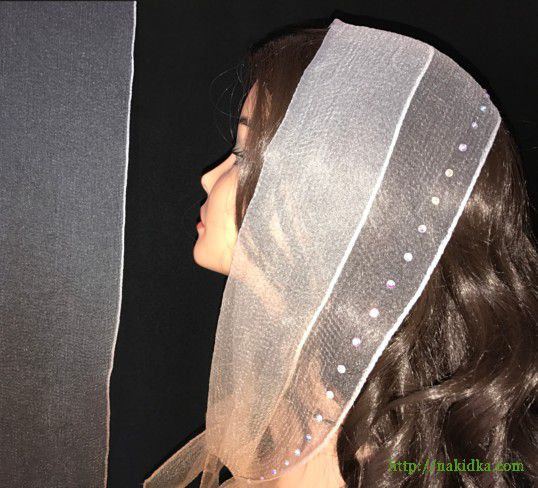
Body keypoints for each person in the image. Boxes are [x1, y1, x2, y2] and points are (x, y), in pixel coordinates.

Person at [192, 24, 537, 487]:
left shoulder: (360, 450)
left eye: (244, 156)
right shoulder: (295, 387)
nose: (209, 178)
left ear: (333, 203)